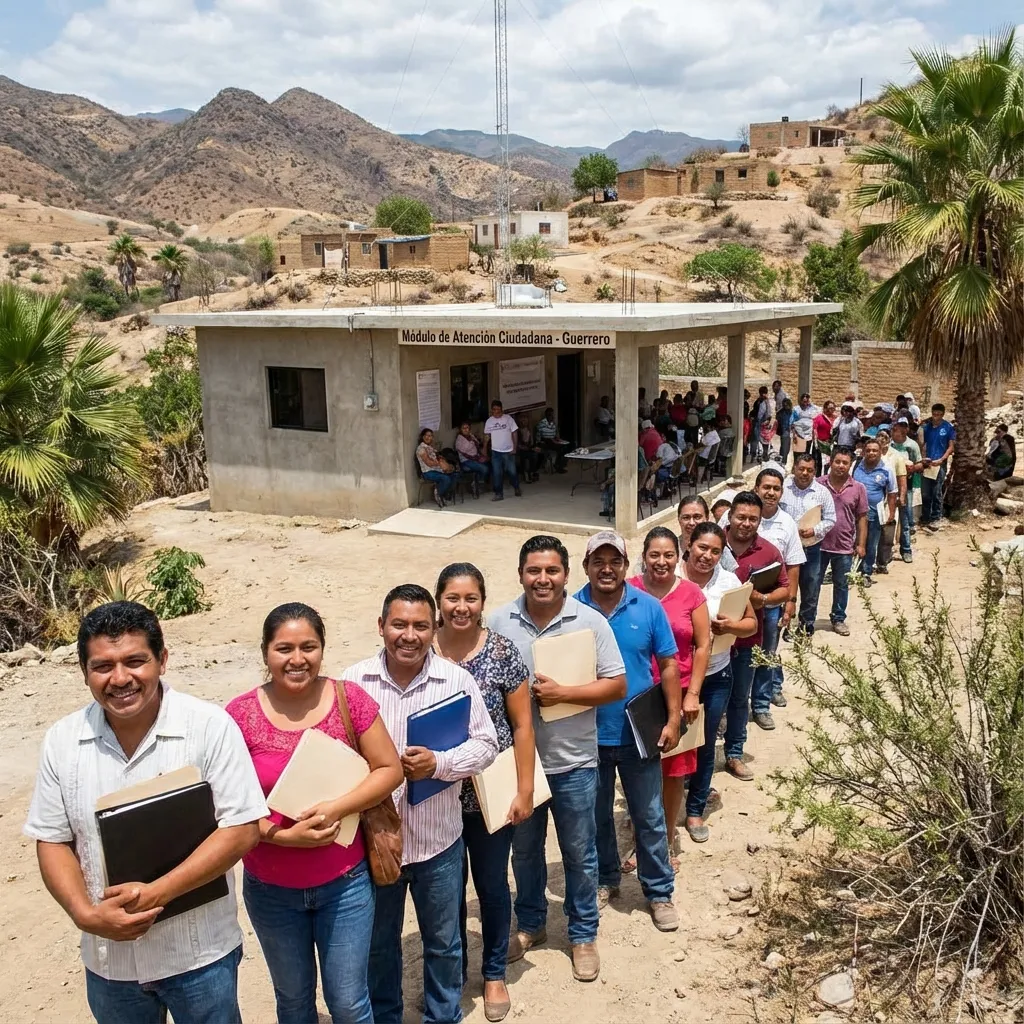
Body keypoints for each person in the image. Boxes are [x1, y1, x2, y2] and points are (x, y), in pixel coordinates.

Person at [24, 601, 267, 1024]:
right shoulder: (62, 741)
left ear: (162, 660)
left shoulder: (208, 727)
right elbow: (52, 839)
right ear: (84, 671)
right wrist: (85, 915)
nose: (120, 679)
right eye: (103, 666)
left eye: (135, 661)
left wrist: (159, 893)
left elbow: (242, 828)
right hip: (110, 964)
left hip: (200, 957)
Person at [227, 604, 404, 1024]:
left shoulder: (349, 700)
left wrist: (337, 808)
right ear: (266, 652)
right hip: (270, 889)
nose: (297, 659)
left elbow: (389, 769)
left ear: (322, 648)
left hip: (345, 885)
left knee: (350, 1003)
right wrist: (283, 836)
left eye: (308, 647)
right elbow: (226, 803)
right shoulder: (239, 715)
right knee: (293, 1002)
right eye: (284, 648)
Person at [344, 585, 499, 1024]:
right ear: (381, 626)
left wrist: (440, 763)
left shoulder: (456, 681)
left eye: (420, 626)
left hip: (439, 842)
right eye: (399, 624)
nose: (409, 636)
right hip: (376, 845)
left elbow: (487, 744)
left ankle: (442, 1015)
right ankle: (387, 1016)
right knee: (379, 946)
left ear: (435, 629)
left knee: (444, 944)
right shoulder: (353, 683)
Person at [489, 536, 626, 984]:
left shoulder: (590, 621)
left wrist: (564, 693)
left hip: (575, 762)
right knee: (525, 852)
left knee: (580, 853)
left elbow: (617, 685)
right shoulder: (499, 622)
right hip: (520, 766)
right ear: (520, 574)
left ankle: (583, 934)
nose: (542, 579)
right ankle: (531, 924)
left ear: (566, 574)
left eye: (551, 570)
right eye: (534, 570)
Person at [432, 564, 535, 1023]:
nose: (461, 607)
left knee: (492, 885)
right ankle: (451, 977)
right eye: (452, 598)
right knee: (446, 893)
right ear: (439, 601)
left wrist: (525, 789)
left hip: (491, 796)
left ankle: (494, 972)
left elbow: (523, 725)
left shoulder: (502, 652)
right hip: (435, 799)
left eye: (470, 598)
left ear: (483, 602)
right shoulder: (422, 651)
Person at [574, 531, 680, 933]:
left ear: (625, 565)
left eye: (614, 561)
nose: (606, 569)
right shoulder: (571, 610)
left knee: (649, 816)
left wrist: (673, 719)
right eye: (598, 561)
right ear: (585, 567)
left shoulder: (648, 607)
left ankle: (659, 891)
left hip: (639, 733)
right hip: (588, 734)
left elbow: (668, 665)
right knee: (597, 817)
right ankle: (607, 879)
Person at [628, 528, 710, 857]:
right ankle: (642, 838)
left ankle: (667, 836)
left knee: (674, 771)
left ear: (679, 557)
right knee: (638, 771)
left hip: (680, 693)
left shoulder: (691, 593)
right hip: (636, 697)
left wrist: (692, 695)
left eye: (668, 555)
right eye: (654, 555)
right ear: (644, 557)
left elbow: (703, 646)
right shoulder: (628, 589)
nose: (661, 561)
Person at [678, 524, 757, 839]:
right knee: (667, 742)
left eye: (715, 551)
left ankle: (695, 810)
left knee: (705, 742)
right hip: (675, 677)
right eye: (702, 547)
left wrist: (732, 627)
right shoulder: (672, 577)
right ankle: (656, 809)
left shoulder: (728, 582)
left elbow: (751, 624)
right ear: (689, 544)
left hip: (716, 675)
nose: (707, 556)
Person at [723, 492, 790, 779]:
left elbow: (785, 588)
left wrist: (763, 599)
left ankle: (734, 753)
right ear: (730, 517)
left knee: (740, 699)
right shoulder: (712, 543)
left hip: (747, 640)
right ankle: (697, 760)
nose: (746, 523)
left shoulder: (769, 552)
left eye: (753, 519)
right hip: (711, 640)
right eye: (741, 517)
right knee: (705, 703)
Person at [744, 469, 804, 727]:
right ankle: (729, 710)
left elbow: (793, 565)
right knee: (734, 656)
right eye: (766, 487)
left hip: (770, 602)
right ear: (756, 488)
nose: (770, 492)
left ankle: (760, 705)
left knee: (766, 654)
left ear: (781, 492)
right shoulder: (740, 516)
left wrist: (790, 602)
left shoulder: (787, 523)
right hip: (738, 603)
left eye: (776, 488)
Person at [779, 453, 837, 639]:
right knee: (785, 587)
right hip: (785, 549)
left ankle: (806, 626)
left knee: (811, 587)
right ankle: (786, 625)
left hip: (811, 548)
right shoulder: (783, 488)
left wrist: (815, 530)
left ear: (815, 471)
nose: (805, 473)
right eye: (801, 469)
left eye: (809, 470)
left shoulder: (822, 492)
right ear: (794, 468)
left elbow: (831, 519)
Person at [817, 447, 868, 635]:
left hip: (844, 546)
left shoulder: (858, 488)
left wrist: (861, 544)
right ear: (830, 462)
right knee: (813, 584)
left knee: (841, 585)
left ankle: (838, 619)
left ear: (850, 465)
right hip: (818, 545)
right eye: (837, 461)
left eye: (845, 463)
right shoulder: (818, 484)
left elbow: (862, 517)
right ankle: (807, 619)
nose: (840, 466)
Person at [852, 438, 897, 583]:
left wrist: (891, 513)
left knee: (871, 543)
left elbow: (892, 493)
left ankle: (866, 572)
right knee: (853, 541)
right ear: (864, 452)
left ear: (880, 452)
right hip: (853, 513)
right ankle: (852, 570)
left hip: (874, 514)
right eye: (868, 450)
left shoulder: (887, 470)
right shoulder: (856, 465)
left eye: (875, 450)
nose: (871, 453)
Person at [677, 494, 738, 571]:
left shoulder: (718, 548)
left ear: (707, 518)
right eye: (686, 517)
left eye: (697, 517)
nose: (691, 523)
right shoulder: (671, 547)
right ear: (679, 519)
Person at [920, 403, 956, 531]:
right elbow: (923, 443)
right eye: (934, 414)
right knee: (925, 492)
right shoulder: (927, 427)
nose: (936, 417)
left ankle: (936, 517)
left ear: (943, 414)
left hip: (940, 463)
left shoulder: (948, 427)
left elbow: (951, 447)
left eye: (939, 415)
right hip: (928, 463)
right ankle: (925, 516)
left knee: (936, 491)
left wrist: (942, 459)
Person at [876, 428, 907, 572]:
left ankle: (883, 561)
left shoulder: (897, 456)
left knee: (888, 530)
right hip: (875, 498)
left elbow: (902, 478)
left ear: (889, 439)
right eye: (879, 436)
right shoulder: (871, 453)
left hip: (890, 498)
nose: (882, 439)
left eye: (885, 436)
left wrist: (902, 496)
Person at [891, 417, 923, 558]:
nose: (895, 432)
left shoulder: (912, 445)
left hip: (906, 486)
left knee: (905, 517)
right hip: (890, 488)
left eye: (897, 430)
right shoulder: (889, 445)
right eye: (894, 430)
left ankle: (906, 550)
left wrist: (911, 468)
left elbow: (920, 464)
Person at [484, 400, 522, 503]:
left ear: (502, 410)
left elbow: (514, 433)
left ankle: (516, 487)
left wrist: (514, 447)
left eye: (498, 410)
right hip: (495, 451)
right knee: (497, 473)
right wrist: (484, 449)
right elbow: (487, 436)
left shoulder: (508, 419)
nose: (496, 412)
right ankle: (498, 494)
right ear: (491, 410)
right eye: (494, 410)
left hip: (508, 451)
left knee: (512, 471)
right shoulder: (489, 421)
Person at [417, 428, 457, 508]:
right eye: (427, 435)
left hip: (436, 470)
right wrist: (440, 463)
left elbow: (438, 456)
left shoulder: (430, 447)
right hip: (428, 472)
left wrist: (444, 463)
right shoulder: (421, 449)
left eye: (431, 436)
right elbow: (429, 463)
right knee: (446, 478)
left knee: (454, 475)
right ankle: (439, 493)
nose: (429, 438)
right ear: (423, 436)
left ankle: (444, 494)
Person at [455, 422, 491, 494]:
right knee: (484, 468)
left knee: (489, 464)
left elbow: (477, 445)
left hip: (475, 458)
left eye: (467, 428)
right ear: (460, 430)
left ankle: (477, 484)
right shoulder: (459, 439)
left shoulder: (471, 436)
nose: (466, 430)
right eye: (463, 428)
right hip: (466, 461)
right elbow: (465, 449)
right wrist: (472, 441)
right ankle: (479, 485)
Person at [536, 407, 572, 474]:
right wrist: (550, 440)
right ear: (546, 415)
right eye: (550, 415)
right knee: (560, 448)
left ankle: (560, 464)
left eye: (552, 415)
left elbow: (555, 435)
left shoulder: (553, 424)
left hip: (553, 441)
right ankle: (558, 466)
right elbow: (541, 437)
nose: (552, 417)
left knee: (567, 447)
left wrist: (558, 439)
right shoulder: (542, 424)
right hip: (545, 442)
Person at [516, 415, 542, 483]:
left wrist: (534, 447)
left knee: (538, 454)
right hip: (520, 449)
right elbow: (519, 445)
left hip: (528, 448)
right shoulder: (517, 431)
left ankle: (532, 472)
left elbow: (531, 443)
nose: (523, 422)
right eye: (522, 421)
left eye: (525, 421)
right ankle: (526, 474)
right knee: (527, 455)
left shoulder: (529, 430)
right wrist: (531, 448)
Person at [813, 400, 837, 475]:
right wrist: (815, 443)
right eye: (830, 408)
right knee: (820, 463)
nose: (831, 410)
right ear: (825, 408)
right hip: (821, 444)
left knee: (830, 463)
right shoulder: (819, 418)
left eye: (833, 408)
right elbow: (814, 430)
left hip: (832, 444)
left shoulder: (836, 418)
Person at [776, 397, 796, 465]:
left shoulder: (789, 411)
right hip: (785, 431)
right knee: (785, 449)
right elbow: (783, 423)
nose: (786, 406)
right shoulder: (782, 413)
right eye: (785, 405)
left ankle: (782, 462)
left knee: (785, 448)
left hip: (787, 431)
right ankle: (783, 462)